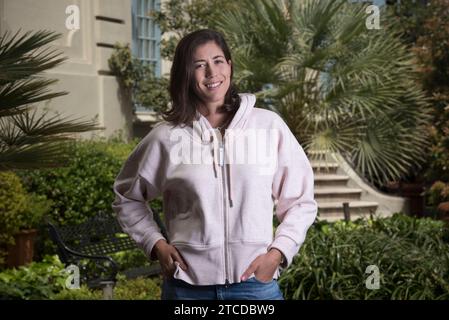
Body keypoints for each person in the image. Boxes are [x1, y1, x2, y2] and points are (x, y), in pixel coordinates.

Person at [112, 29, 317, 300]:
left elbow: (301, 201)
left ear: (230, 66)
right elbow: (127, 197)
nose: (211, 73)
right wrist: (156, 244)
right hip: (186, 288)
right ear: (186, 74)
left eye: (218, 61)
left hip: (254, 285)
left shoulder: (269, 127)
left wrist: (278, 253)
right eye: (199, 65)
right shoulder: (166, 137)